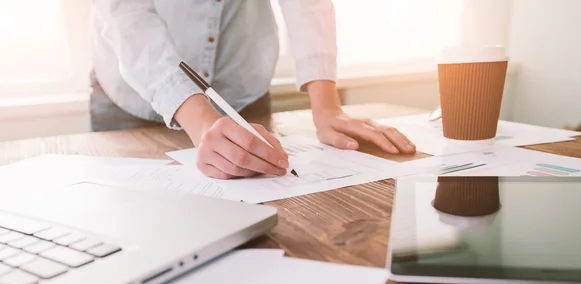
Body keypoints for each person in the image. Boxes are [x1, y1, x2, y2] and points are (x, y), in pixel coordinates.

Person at [91, 0, 416, 179]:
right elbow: (127, 15)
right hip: (133, 98)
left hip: (241, 90)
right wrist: (202, 123)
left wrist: (327, 104)